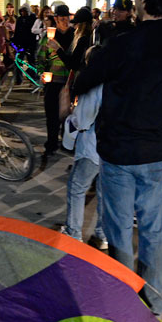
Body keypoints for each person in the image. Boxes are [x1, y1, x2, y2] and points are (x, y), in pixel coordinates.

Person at [73, 0, 162, 315]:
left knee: (118, 230)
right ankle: (155, 303)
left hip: (118, 152)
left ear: (142, 0)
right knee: (153, 229)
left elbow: (86, 79)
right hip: (156, 152)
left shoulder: (123, 44)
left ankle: (126, 300)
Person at [61, 48, 107, 249]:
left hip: (92, 146)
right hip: (113, 147)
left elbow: (83, 120)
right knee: (105, 192)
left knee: (77, 188)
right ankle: (102, 235)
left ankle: (73, 232)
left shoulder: (93, 85)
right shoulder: (118, 81)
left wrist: (69, 113)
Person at [37, 4, 74, 157]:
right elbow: (40, 57)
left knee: (69, 115)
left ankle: (67, 142)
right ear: (56, 19)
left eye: (67, 18)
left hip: (70, 81)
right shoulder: (49, 36)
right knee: (51, 115)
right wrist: (41, 73)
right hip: (53, 81)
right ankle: (51, 143)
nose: (65, 21)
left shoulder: (75, 34)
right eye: (61, 18)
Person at [46, 6, 93, 74]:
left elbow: (73, 64)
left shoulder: (82, 39)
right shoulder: (50, 34)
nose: (67, 22)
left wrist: (58, 49)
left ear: (81, 25)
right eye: (62, 19)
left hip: (80, 76)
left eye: (67, 18)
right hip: (57, 75)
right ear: (56, 19)